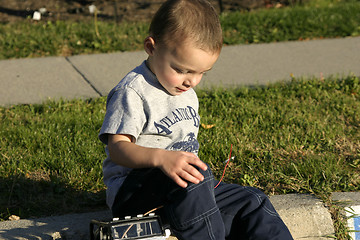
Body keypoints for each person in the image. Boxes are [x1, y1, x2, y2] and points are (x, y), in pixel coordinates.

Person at [99, 0, 293, 239]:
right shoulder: (133, 91)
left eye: (201, 72)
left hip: (186, 193)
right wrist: (161, 159)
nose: (191, 81)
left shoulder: (184, 91)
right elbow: (118, 149)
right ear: (151, 47)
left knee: (251, 201)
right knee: (196, 182)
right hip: (136, 194)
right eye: (181, 69)